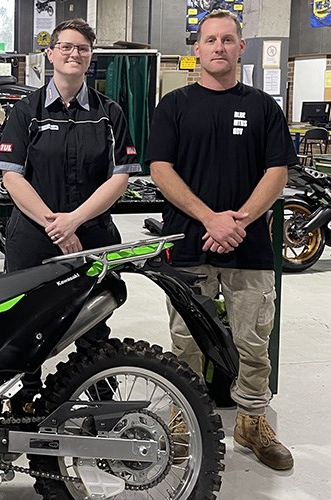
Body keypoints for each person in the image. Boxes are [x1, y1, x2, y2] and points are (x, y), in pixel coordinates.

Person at [146, 9, 296, 471]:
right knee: (185, 340)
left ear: (240, 47)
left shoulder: (264, 107)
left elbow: (277, 172)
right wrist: (211, 218)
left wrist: (241, 220)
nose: (218, 47)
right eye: (210, 40)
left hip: (248, 248)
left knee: (254, 339)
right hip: (188, 242)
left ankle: (251, 421)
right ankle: (182, 417)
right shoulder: (173, 106)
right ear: (196, 49)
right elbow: (159, 170)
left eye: (227, 40)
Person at [0, 18, 141, 411]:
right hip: (34, 238)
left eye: (82, 48)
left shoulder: (110, 112)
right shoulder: (26, 111)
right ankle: (24, 397)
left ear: (90, 57)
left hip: (92, 235)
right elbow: (13, 177)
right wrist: (55, 226)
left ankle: (97, 397)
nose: (74, 54)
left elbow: (119, 177)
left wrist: (74, 221)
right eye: (66, 47)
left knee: (93, 321)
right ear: (50, 54)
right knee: (24, 320)